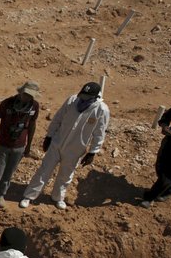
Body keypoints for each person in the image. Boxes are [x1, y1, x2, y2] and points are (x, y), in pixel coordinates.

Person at [19, 81, 109, 210]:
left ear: (94, 97)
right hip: (58, 142)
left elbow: (99, 133)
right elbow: (58, 118)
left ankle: (57, 197)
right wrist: (49, 136)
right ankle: (29, 196)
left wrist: (93, 152)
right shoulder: (72, 100)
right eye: (82, 94)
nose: (82, 98)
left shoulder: (101, 110)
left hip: (76, 148)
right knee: (44, 170)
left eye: (86, 96)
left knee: (66, 174)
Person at [0, 81, 41, 209]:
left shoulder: (34, 106)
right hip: (2, 144)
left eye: (30, 96)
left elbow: (32, 125)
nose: (27, 98)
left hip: (19, 146)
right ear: (20, 92)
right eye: (25, 94)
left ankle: (1, 195)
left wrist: (28, 145)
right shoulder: (7, 103)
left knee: (9, 173)